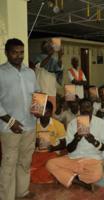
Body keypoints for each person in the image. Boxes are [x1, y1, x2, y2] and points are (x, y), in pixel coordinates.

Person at [0, 38, 39, 200]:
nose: (19, 56)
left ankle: (21, 193)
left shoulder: (30, 73)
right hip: (9, 128)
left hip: (29, 125)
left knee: (24, 162)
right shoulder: (1, 72)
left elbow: (37, 95)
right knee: (9, 164)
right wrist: (11, 122)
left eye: (21, 52)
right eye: (14, 52)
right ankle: (6, 197)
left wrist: (39, 109)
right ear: (6, 52)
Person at [46, 99, 104, 189]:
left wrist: (94, 141)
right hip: (74, 158)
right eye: (83, 107)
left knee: (96, 175)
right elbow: (69, 149)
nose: (85, 110)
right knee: (50, 164)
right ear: (80, 109)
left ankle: (69, 176)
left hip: (92, 159)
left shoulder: (100, 123)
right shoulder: (72, 123)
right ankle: (80, 182)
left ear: (92, 108)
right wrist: (76, 138)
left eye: (88, 107)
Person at [31, 101, 66, 184]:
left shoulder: (58, 125)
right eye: (42, 112)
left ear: (51, 113)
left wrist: (53, 148)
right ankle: (40, 173)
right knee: (26, 167)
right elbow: (28, 143)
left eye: (47, 113)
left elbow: (63, 144)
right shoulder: (33, 124)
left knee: (50, 166)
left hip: (51, 153)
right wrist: (35, 143)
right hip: (37, 153)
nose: (44, 115)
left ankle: (43, 173)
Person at [34, 40, 64, 113]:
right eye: (46, 46)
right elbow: (40, 65)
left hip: (51, 91)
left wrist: (60, 57)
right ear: (42, 48)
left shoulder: (54, 59)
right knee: (38, 113)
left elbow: (59, 68)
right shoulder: (38, 57)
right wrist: (50, 55)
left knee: (51, 114)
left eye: (49, 46)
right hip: (40, 91)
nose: (49, 48)